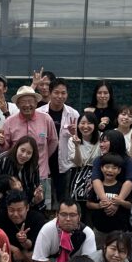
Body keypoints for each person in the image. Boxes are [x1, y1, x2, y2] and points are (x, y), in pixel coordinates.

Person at [0, 85, 58, 201]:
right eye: (23, 102)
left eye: (30, 101)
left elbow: (53, 141)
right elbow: (6, 149)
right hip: (16, 176)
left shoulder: (46, 119)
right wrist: (1, 143)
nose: (27, 105)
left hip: (42, 173)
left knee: (44, 206)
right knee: (16, 205)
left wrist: (41, 157)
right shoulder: (9, 121)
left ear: (36, 103)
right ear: (17, 105)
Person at [31, 200, 97, 262]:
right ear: (57, 215)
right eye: (63, 214)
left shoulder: (87, 233)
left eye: (72, 215)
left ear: (79, 216)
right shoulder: (47, 229)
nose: (68, 219)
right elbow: (40, 258)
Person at [38, 79, 79, 207]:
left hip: (63, 164)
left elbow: (78, 140)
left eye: (63, 93)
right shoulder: (39, 113)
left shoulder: (73, 114)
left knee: (63, 199)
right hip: (44, 162)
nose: (60, 96)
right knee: (46, 200)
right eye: (56, 92)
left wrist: (74, 133)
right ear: (50, 93)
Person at [0, 135, 44, 215]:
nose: (24, 155)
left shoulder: (34, 165)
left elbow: (35, 185)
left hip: (24, 201)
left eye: (29, 153)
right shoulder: (2, 159)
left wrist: (37, 193)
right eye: (22, 150)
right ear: (16, 147)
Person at [0, 190, 49, 262]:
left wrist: (24, 241)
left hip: (31, 254)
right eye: (11, 210)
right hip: (8, 251)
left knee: (32, 255)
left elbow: (32, 244)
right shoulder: (0, 216)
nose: (15, 214)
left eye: (19, 210)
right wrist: (14, 249)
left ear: (27, 208)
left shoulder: (37, 218)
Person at [84, 153, 132, 238]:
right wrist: (98, 206)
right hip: (99, 229)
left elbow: (130, 205)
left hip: (119, 231)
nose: (110, 170)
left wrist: (121, 202)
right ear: (101, 168)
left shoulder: (122, 187)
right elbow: (88, 204)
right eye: (107, 167)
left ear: (119, 170)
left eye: (114, 168)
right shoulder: (96, 187)